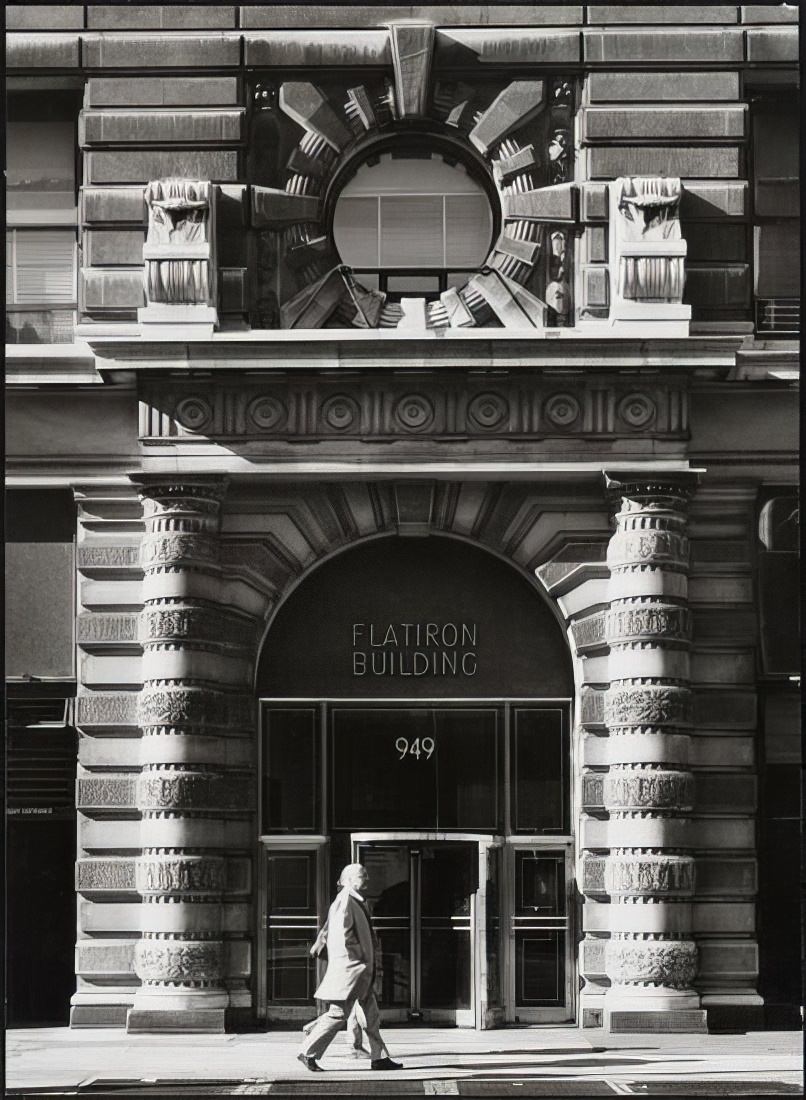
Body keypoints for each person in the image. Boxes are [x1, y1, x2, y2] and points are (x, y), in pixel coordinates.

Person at [297, 863, 401, 1073]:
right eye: (363, 876)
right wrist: (357, 963)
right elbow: (341, 939)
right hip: (353, 972)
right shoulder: (345, 901)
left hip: (359, 972)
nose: (368, 879)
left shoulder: (352, 900)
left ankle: (379, 1058)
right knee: (337, 1014)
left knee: (371, 1016)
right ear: (350, 879)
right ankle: (307, 1051)